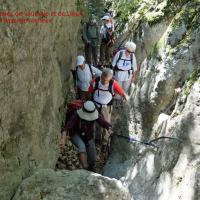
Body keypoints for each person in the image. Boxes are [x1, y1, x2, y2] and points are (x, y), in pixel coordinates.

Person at [60, 101, 112, 171]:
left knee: (92, 153)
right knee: (82, 146)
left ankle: (91, 167)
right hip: (75, 134)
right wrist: (63, 139)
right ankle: (85, 167)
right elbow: (67, 127)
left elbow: (102, 122)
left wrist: (108, 128)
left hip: (88, 135)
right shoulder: (76, 115)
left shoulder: (95, 115)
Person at [89, 68, 129, 151]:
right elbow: (90, 90)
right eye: (103, 79)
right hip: (95, 105)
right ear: (101, 76)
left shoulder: (113, 84)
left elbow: (122, 92)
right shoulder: (95, 81)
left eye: (107, 80)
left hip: (106, 108)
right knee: (96, 122)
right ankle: (97, 138)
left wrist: (126, 97)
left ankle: (105, 142)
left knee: (106, 124)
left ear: (110, 78)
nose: (105, 82)